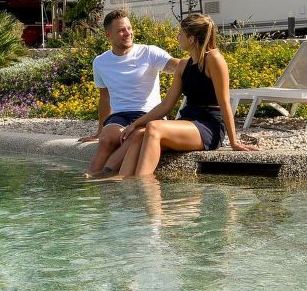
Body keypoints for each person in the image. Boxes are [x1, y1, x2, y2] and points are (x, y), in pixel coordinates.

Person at [110, 11, 256, 177]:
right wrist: (135, 124)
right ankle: (124, 186)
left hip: (208, 126)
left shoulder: (214, 59)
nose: (177, 37)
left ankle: (142, 187)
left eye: (180, 34)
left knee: (153, 127)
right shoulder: (183, 65)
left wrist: (234, 142)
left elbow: (224, 102)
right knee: (138, 135)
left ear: (191, 39)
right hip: (187, 122)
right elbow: (166, 105)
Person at [79, 8, 173, 178]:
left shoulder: (149, 52)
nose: (127, 33)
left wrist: (200, 58)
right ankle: (92, 178)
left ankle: (104, 174)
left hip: (149, 114)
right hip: (120, 115)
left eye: (129, 28)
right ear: (109, 35)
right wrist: (99, 131)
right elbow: (105, 97)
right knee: (107, 139)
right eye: (121, 30)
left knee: (134, 136)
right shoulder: (100, 62)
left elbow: (176, 65)